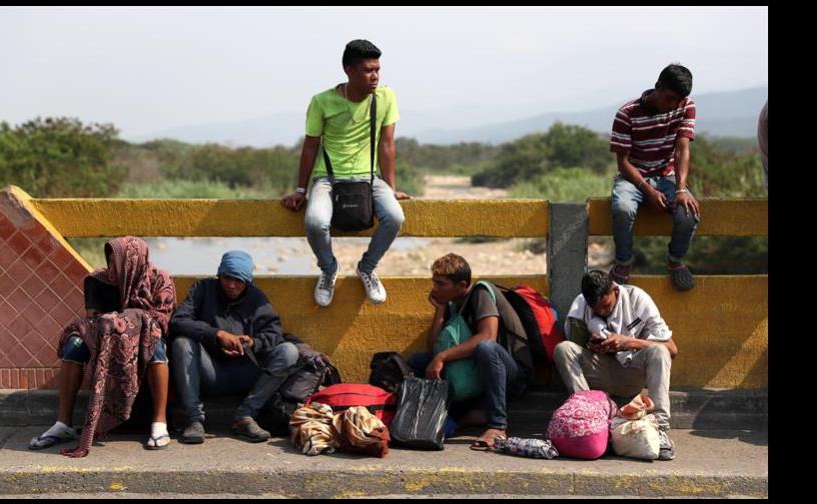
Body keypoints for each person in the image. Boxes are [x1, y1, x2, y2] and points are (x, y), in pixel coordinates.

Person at [280, 39, 409, 307]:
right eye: (367, 70)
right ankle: (328, 269)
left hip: (369, 178)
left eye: (377, 69)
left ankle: (367, 267)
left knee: (395, 216)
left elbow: (387, 144)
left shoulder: (386, 97)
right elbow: (310, 146)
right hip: (328, 179)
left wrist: (392, 188)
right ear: (348, 70)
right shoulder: (322, 102)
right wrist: (301, 190)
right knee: (315, 222)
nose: (374, 76)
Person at [28, 237, 176, 456]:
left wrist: (128, 323)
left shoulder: (159, 280)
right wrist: (115, 327)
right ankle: (63, 423)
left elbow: (161, 320)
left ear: (133, 262)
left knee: (157, 348)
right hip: (103, 340)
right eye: (110, 259)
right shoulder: (98, 280)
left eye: (117, 260)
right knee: (74, 344)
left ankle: (159, 424)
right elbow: (93, 318)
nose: (112, 266)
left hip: (144, 337)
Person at [170, 250, 299, 444]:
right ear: (219, 275)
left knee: (289, 352)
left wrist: (252, 343)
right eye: (227, 278)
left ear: (247, 282)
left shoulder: (257, 299)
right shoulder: (203, 289)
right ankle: (194, 419)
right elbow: (178, 321)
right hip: (209, 371)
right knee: (181, 343)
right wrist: (216, 335)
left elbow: (274, 334)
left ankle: (245, 416)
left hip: (244, 372)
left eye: (238, 280)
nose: (231, 285)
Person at [407, 253, 533, 451]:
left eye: (441, 284)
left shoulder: (480, 292)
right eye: (434, 283)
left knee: (486, 349)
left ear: (462, 285)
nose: (434, 289)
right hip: (476, 369)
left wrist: (443, 356)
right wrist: (440, 310)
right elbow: (432, 349)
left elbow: (488, 336)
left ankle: (497, 425)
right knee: (417, 361)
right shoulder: (452, 304)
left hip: (512, 374)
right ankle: (452, 415)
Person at [554, 269, 678, 460]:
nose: (602, 312)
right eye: (596, 309)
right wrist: (592, 345)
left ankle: (660, 428)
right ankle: (589, 419)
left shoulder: (637, 299)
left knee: (659, 351)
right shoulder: (580, 307)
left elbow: (672, 349)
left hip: (632, 373)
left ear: (615, 290)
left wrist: (629, 342)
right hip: (600, 375)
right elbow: (577, 349)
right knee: (563, 349)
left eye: (606, 305)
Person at [608, 63, 701, 291]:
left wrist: (680, 189)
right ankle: (623, 262)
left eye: (678, 100)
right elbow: (623, 162)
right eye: (670, 98)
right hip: (633, 177)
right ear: (658, 86)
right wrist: (647, 190)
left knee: (688, 214)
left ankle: (675, 261)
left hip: (666, 176)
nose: (673, 106)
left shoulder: (685, 107)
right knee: (622, 209)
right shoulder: (626, 114)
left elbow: (682, 150)